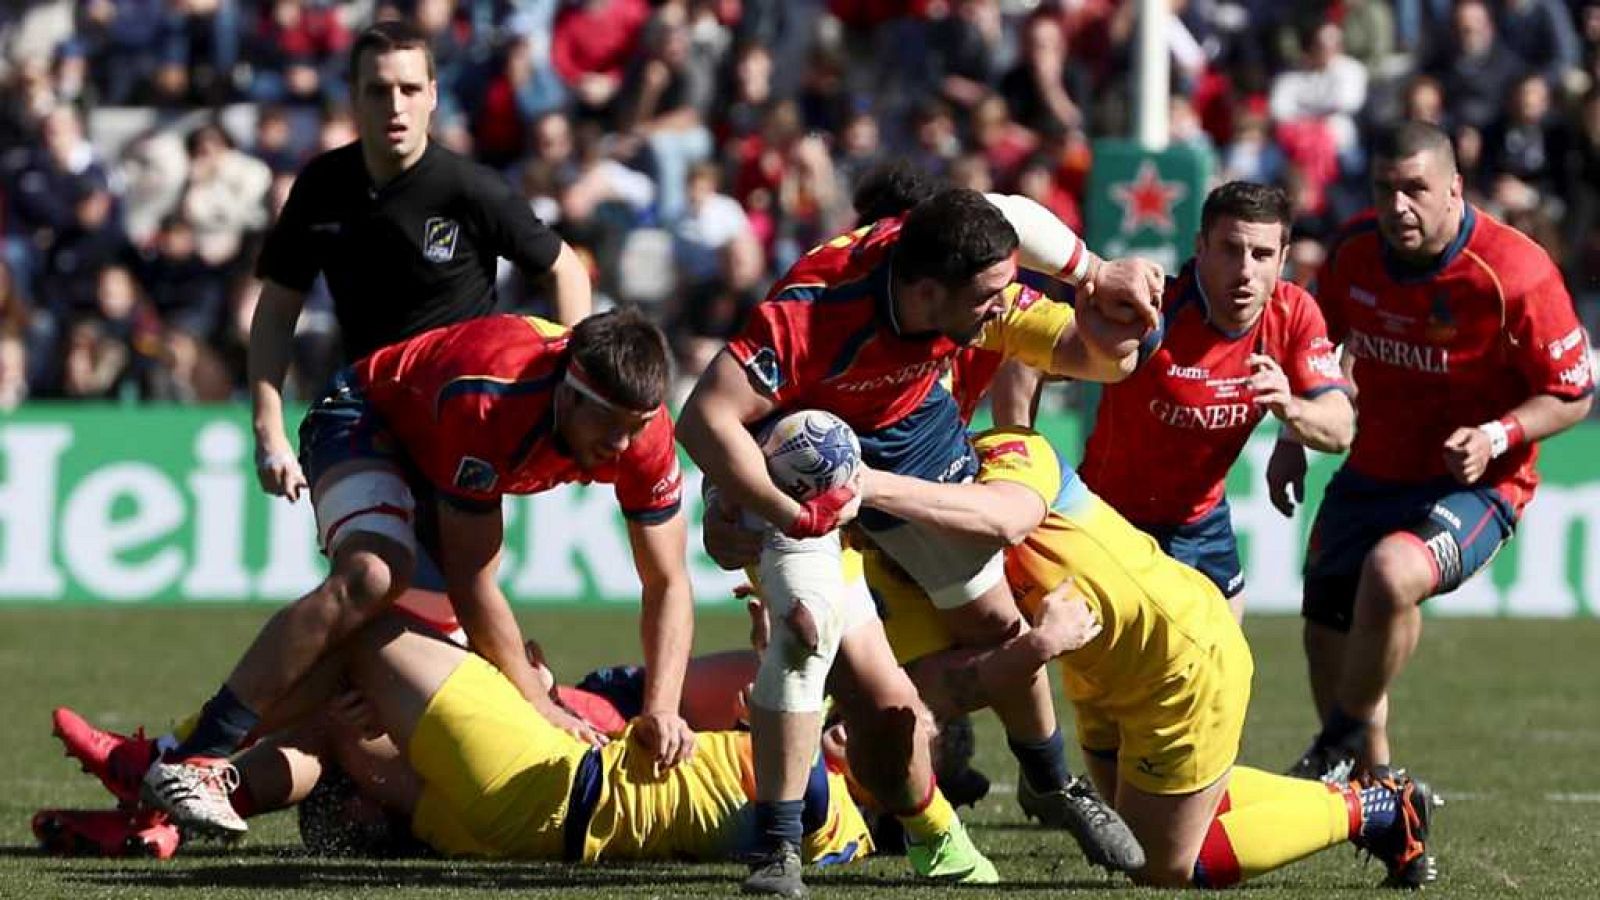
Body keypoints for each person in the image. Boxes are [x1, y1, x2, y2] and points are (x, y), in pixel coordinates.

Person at [679, 187, 1163, 895]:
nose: (1004, 303)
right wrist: (777, 509)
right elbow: (703, 418)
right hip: (804, 458)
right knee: (807, 632)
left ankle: (1054, 785)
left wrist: (1094, 274)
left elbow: (1015, 222)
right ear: (929, 290)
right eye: (990, 295)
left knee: (999, 626)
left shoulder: (951, 255)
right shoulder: (812, 316)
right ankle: (776, 849)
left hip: (910, 434)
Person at [87, 310, 697, 839]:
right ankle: (191, 758)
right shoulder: (491, 399)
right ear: (570, 391)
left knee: (383, 666)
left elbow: (668, 581)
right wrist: (537, 700)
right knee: (374, 577)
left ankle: (164, 763)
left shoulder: (646, 434)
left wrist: (663, 707)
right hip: (364, 418)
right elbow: (473, 578)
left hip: (440, 464)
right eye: (609, 424)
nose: (621, 445)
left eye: (635, 427)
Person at [855, 426, 1438, 889]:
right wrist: (1039, 646)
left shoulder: (1009, 452)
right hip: (1100, 677)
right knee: (1148, 823)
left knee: (1162, 867)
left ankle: (1377, 810)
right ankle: (1367, 804)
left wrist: (871, 486)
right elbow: (939, 688)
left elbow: (1003, 518)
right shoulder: (886, 559)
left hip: (1177, 662)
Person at [51, 616, 872, 867]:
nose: (838, 719)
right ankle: (157, 819)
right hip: (501, 832)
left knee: (360, 627)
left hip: (550, 784)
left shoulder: (812, 795)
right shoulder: (829, 820)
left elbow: (780, 697)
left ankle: (161, 759)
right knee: (342, 728)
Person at [1284, 121, 1594, 782]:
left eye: (1415, 189)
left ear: (1454, 188)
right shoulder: (1354, 251)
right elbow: (1315, 350)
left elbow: (1574, 394)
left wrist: (1496, 435)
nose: (1398, 206)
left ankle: (1336, 740)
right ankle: (1384, 796)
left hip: (1480, 488)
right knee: (1324, 631)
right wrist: (1292, 437)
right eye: (1384, 189)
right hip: (1371, 472)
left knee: (1392, 576)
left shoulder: (1515, 271)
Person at [250, 20, 592, 505]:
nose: (395, 105)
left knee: (459, 584)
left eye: (410, 89)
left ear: (432, 95)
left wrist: (564, 391)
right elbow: (276, 312)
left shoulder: (469, 188)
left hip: (461, 424)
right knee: (367, 572)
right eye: (378, 90)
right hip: (364, 413)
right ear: (353, 96)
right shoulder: (322, 187)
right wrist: (269, 430)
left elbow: (565, 269)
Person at [1075, 182, 1354, 618]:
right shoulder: (1152, 313)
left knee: (1227, 672)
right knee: (1140, 675)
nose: (1245, 270)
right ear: (1199, 247)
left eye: (1262, 255)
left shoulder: (1295, 312)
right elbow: (1030, 360)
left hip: (1203, 523)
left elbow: (1340, 430)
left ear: (1283, 259)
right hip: (1115, 521)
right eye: (1229, 250)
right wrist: (1021, 455)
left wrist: (1290, 415)